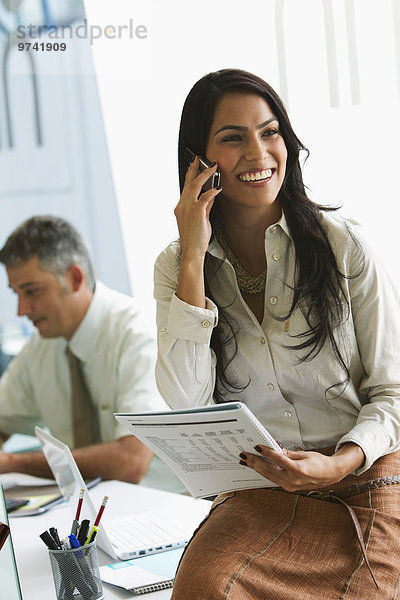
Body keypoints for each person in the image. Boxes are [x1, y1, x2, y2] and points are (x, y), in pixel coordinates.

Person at [154, 68, 400, 599]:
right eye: (233, 138)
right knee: (205, 588)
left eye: (270, 132)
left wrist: (339, 462)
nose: (259, 153)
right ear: (198, 158)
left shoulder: (345, 247)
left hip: (361, 470)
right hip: (259, 486)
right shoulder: (176, 266)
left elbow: (394, 393)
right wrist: (193, 255)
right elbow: (185, 400)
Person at [0, 215, 167, 484]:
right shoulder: (41, 346)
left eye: (31, 291)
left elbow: (130, 463)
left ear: (75, 278)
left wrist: (13, 464)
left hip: (161, 507)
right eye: (16, 293)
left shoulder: (137, 334)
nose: (21, 310)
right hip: (84, 510)